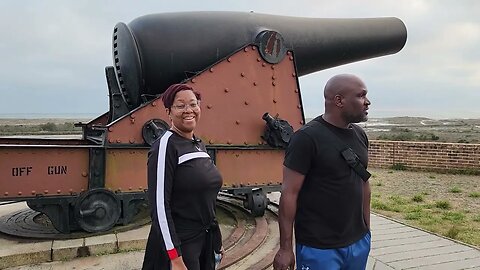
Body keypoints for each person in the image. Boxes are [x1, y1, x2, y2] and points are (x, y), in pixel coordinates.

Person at [273, 74, 372, 270]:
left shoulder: (360, 135)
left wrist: (366, 230)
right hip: (319, 247)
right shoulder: (306, 138)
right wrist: (285, 248)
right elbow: (289, 193)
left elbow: (364, 183)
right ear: (339, 100)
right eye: (361, 96)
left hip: (358, 242)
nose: (367, 102)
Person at [142, 83, 223, 270]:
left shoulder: (199, 145)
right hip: (181, 245)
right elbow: (159, 207)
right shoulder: (165, 147)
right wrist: (175, 257)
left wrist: (216, 241)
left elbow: (206, 199)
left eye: (193, 104)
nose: (189, 110)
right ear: (169, 112)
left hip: (204, 239)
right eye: (181, 106)